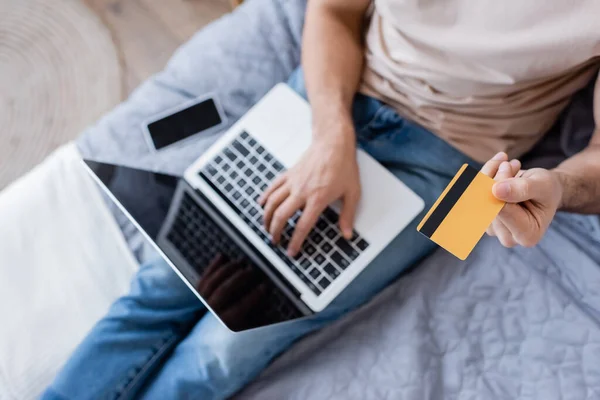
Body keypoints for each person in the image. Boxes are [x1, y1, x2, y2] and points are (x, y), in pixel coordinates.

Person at [43, 0, 600, 398]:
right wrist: (331, 132)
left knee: (225, 348)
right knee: (162, 285)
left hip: (453, 169)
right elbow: (333, 12)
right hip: (328, 94)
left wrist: (559, 187)